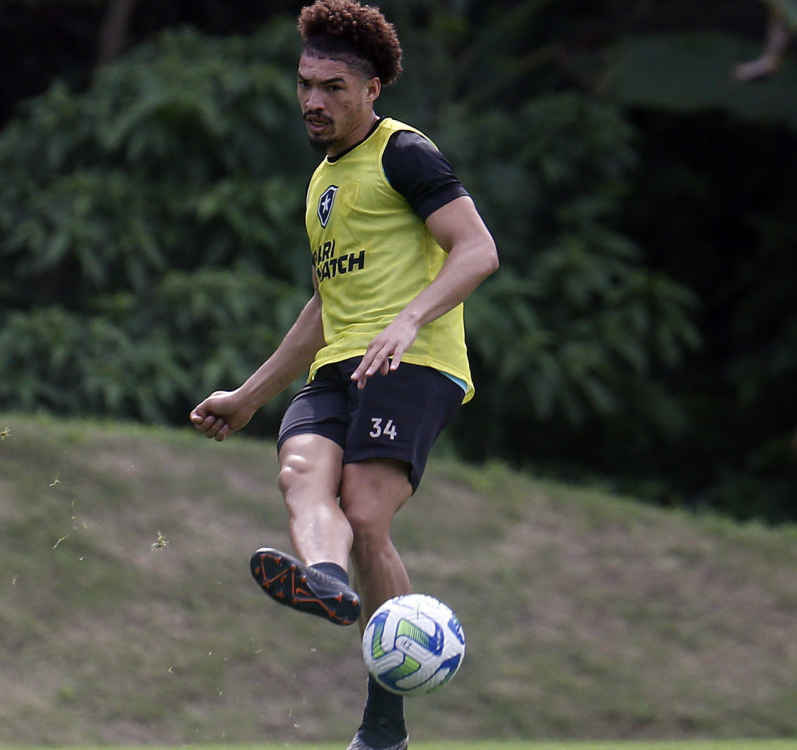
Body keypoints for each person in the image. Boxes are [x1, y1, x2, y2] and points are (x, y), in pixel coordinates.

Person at [189, 2, 498, 748]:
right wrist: (249, 395)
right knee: (301, 472)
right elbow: (326, 306)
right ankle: (325, 581)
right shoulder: (321, 183)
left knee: (364, 511)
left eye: (331, 87)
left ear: (371, 89)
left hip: (414, 363)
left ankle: (385, 724)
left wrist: (409, 319)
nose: (313, 101)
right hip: (338, 367)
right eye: (305, 84)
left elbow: (477, 250)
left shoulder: (405, 153)